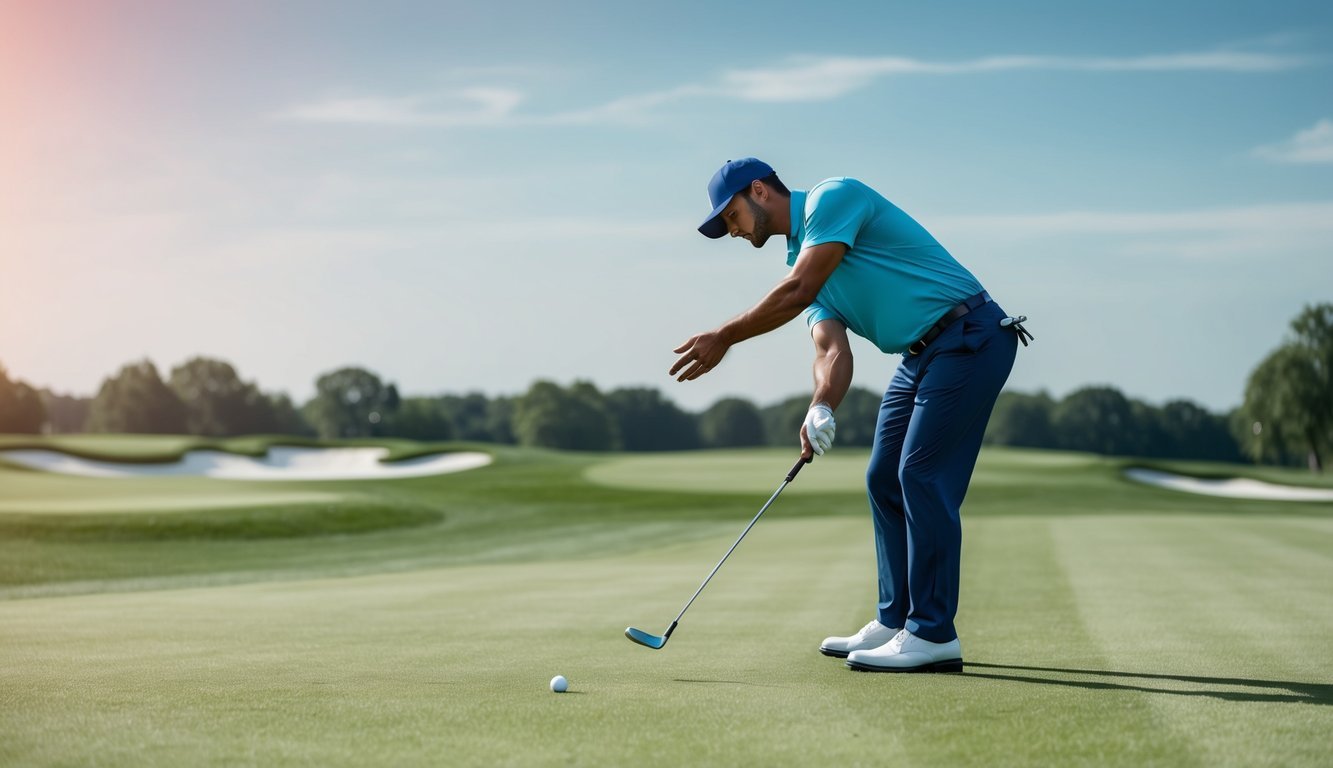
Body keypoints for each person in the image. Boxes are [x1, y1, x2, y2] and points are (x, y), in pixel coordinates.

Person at [670, 157, 1030, 673]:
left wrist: (724, 335)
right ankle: (895, 619)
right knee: (884, 476)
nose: (730, 231)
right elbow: (832, 351)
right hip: (920, 354)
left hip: (969, 335)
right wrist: (821, 405)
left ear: (758, 191)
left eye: (730, 217)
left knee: (920, 475)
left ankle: (933, 634)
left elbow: (798, 294)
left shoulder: (832, 198)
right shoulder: (802, 260)